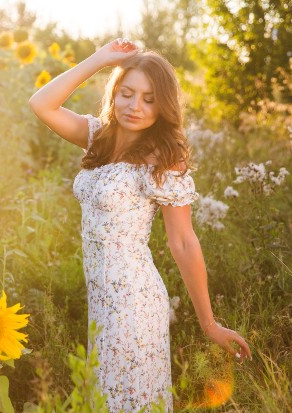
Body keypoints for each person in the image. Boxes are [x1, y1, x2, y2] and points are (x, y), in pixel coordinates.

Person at [28, 38, 252, 412]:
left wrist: (209, 324)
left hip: (134, 302)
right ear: (114, 93)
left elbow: (183, 242)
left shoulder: (163, 158)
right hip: (101, 299)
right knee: (106, 401)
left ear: (163, 105)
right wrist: (99, 59)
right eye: (127, 93)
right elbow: (41, 103)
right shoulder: (97, 136)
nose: (135, 106)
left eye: (149, 99)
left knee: (127, 403)